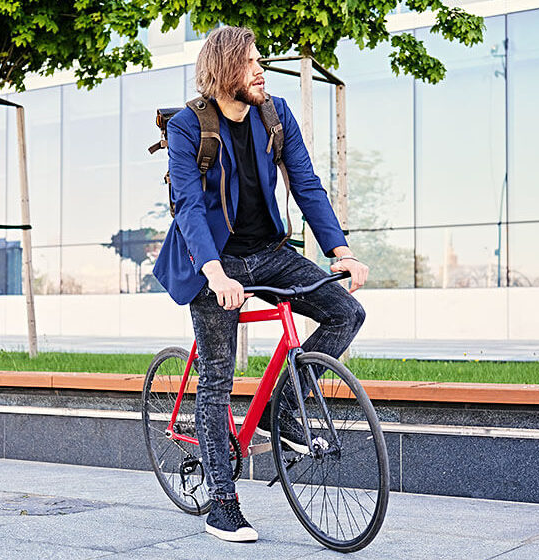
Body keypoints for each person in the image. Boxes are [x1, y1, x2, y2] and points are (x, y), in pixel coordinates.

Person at [153, 26, 369, 543]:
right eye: (250, 62)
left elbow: (306, 183)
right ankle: (222, 506)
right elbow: (187, 205)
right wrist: (213, 272)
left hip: (269, 254)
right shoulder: (188, 126)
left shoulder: (275, 114)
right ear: (225, 69)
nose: (260, 70)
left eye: (260, 61)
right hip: (214, 261)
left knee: (346, 312)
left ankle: (281, 409)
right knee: (217, 378)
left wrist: (340, 251)